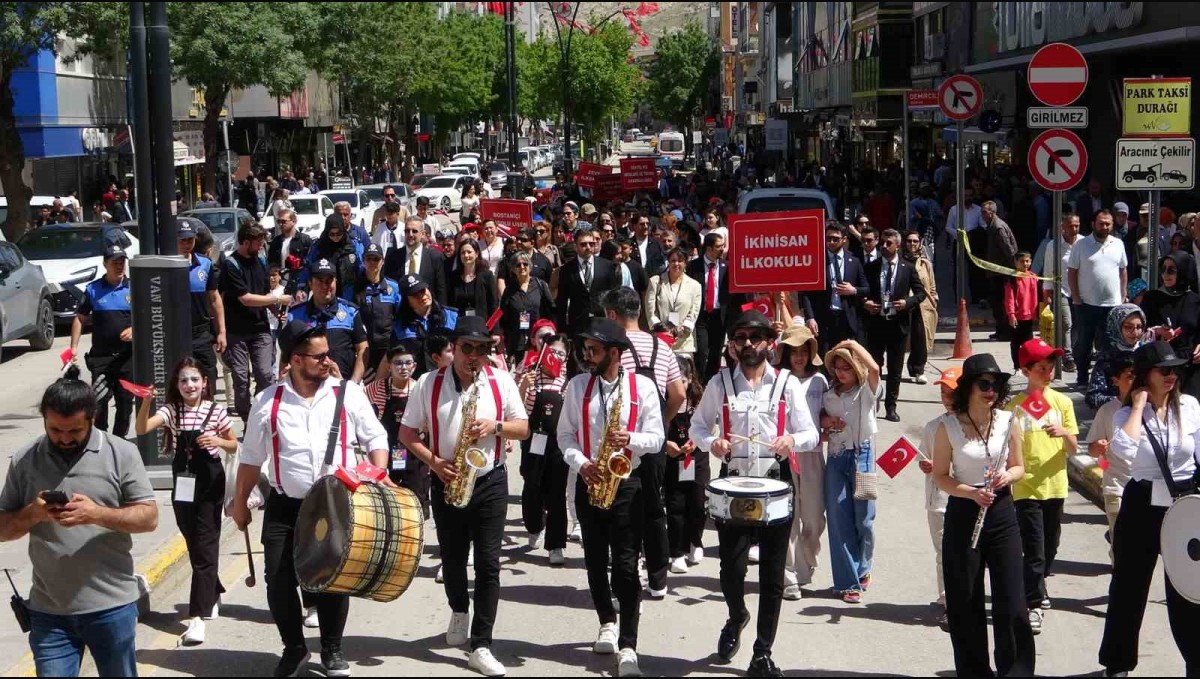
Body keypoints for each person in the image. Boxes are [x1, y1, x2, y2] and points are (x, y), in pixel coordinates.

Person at [232, 323, 388, 678]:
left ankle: (332, 649)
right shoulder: (267, 401)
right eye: (319, 356)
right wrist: (240, 503)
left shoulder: (347, 393)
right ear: (296, 360)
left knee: (332, 578)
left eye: (327, 354)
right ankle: (294, 648)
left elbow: (376, 438)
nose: (327, 361)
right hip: (285, 504)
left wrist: (378, 475)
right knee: (278, 578)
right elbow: (251, 459)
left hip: (335, 504)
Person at [0, 367, 158, 677]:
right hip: (48, 613)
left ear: (92, 418)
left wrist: (96, 514)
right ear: (44, 420)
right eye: (55, 430)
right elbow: (2, 530)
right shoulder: (24, 460)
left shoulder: (121, 453)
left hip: (111, 608)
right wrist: (33, 513)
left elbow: (149, 518)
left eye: (74, 431)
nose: (64, 438)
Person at [689, 310, 819, 677]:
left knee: (772, 574)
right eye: (741, 338)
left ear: (769, 344)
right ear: (732, 345)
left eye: (755, 338)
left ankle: (762, 651)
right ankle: (737, 615)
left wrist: (791, 439)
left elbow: (810, 434)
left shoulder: (786, 384)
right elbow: (698, 427)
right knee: (731, 568)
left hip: (776, 483)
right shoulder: (720, 384)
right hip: (734, 484)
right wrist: (712, 442)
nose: (748, 344)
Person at [399, 315, 529, 678]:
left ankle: (481, 644)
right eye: (467, 348)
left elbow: (523, 428)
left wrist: (495, 426)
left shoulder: (500, 380)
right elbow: (407, 433)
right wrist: (435, 462)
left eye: (481, 350)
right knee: (453, 559)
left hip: (490, 479)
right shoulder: (429, 383)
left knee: (489, 563)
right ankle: (459, 609)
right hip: (448, 478)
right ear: (453, 349)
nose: (474, 356)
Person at [558, 318, 665, 678]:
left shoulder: (642, 387)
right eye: (585, 349)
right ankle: (606, 621)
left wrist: (630, 438)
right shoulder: (577, 386)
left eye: (594, 349)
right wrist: (582, 463)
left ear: (615, 353)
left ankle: (629, 645)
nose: (587, 355)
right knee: (593, 559)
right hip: (590, 478)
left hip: (627, 482)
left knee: (625, 565)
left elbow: (656, 438)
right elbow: (565, 436)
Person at [1099, 341, 1200, 677]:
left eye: (1176, 369)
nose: (1172, 375)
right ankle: (1117, 664)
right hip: (1142, 503)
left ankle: (1195, 662)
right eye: (1164, 370)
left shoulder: (1189, 406)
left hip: (1184, 503)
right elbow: (1122, 453)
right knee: (1128, 587)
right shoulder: (1126, 414)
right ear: (1145, 375)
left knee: (1189, 589)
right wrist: (1139, 405)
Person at [931, 353, 1033, 677]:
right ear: (969, 388)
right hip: (964, 510)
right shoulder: (948, 427)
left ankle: (1015, 671)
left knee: (1013, 599)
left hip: (1001, 510)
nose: (991, 391)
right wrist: (970, 492)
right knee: (965, 600)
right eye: (984, 384)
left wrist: (1008, 476)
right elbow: (940, 476)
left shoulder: (1008, 420)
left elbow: (1019, 466)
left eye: (996, 384)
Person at [134, 358, 237, 645]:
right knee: (193, 541)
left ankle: (197, 618)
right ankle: (212, 590)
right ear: (176, 385)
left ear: (205, 383)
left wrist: (217, 441)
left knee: (205, 544)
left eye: (194, 379)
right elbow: (142, 428)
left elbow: (233, 444)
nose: (189, 385)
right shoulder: (172, 410)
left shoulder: (216, 411)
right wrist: (145, 402)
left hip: (210, 484)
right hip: (183, 483)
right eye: (183, 380)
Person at [603, 287, 686, 600]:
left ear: (612, 314)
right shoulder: (662, 347)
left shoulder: (614, 347)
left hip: (621, 441)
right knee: (654, 505)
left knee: (621, 507)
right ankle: (658, 579)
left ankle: (628, 569)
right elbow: (678, 393)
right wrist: (661, 424)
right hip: (653, 440)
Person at [1006, 339, 1078, 635]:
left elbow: (1073, 448)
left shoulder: (1062, 403)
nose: (1048, 373)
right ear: (1026, 371)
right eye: (1041, 369)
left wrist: (1064, 433)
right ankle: (1033, 603)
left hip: (1056, 485)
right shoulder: (1013, 408)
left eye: (1051, 367)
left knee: (1050, 546)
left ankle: (1039, 583)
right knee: (1033, 548)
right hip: (1026, 487)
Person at [820, 339, 881, 604]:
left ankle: (863, 567)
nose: (842, 372)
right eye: (838, 367)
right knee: (838, 519)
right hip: (836, 456)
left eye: (847, 367)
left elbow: (875, 369)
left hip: (862, 456)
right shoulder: (828, 394)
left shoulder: (866, 392)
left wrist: (852, 344)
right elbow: (818, 419)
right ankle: (847, 582)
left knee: (864, 520)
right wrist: (827, 421)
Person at [777, 326, 828, 601]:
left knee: (814, 518)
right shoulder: (777, 380)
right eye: (794, 351)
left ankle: (805, 565)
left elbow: (827, 412)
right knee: (788, 516)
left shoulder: (819, 381)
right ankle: (789, 576)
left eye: (803, 351)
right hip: (783, 454)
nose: (799, 357)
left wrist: (829, 423)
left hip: (811, 454)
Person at [221, 223, 290, 421]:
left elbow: (263, 293)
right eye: (258, 242)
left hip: (260, 328)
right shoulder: (231, 264)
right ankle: (247, 417)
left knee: (265, 374)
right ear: (245, 242)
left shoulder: (260, 260)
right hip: (237, 331)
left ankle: (262, 414)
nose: (261, 246)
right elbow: (246, 298)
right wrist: (278, 299)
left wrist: (275, 311)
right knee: (241, 379)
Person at [69, 245, 134, 437]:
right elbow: (80, 318)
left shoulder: (134, 287)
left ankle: (119, 439)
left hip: (127, 358)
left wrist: (135, 329)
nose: (119, 266)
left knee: (125, 402)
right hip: (101, 358)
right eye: (115, 262)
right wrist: (73, 348)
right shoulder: (93, 289)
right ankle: (101, 438)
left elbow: (147, 316)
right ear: (105, 264)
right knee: (99, 401)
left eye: (122, 262)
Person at [517, 334, 570, 565]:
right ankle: (534, 526)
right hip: (534, 440)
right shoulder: (532, 377)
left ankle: (556, 545)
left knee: (556, 492)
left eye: (560, 353)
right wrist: (524, 387)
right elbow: (520, 412)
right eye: (552, 351)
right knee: (532, 487)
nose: (555, 357)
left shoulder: (568, 382)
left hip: (558, 443)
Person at [863, 229, 927, 422]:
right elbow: (862, 290)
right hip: (876, 324)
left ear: (897, 245)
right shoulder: (871, 267)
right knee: (874, 367)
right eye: (882, 242)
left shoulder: (907, 268)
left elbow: (921, 293)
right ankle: (872, 403)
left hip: (898, 325)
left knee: (895, 370)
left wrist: (907, 303)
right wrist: (865, 302)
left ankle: (891, 407)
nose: (884, 246)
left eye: (888, 243)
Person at [365, 346, 430, 516]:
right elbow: (358, 406)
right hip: (386, 452)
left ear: (414, 366)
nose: (403, 367)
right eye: (398, 363)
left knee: (416, 503)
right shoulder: (376, 388)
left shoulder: (420, 389)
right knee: (386, 504)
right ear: (389, 367)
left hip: (415, 453)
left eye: (408, 363)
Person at [1069, 210, 1128, 387]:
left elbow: (1123, 270)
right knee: (1084, 343)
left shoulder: (1118, 244)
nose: (1105, 227)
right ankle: (1082, 377)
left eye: (1108, 223)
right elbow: (1072, 272)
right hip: (1086, 303)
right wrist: (1076, 296)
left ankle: (1106, 379)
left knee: (1109, 344)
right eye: (1101, 223)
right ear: (1093, 224)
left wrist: (1123, 294)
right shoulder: (1081, 245)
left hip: (1112, 304)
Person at [1085, 353, 1135, 560]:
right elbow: (1091, 449)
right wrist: (1098, 447)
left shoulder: (1153, 408)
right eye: (1130, 376)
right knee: (1121, 543)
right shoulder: (1107, 411)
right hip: (1117, 487)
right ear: (1115, 380)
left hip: (1148, 488)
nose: (1136, 380)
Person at [919, 367, 958, 628]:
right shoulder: (933, 427)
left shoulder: (973, 426)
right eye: (943, 392)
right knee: (943, 553)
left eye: (951, 392)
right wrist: (927, 465)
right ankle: (947, 600)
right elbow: (924, 456)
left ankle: (965, 599)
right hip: (939, 501)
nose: (947, 397)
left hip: (965, 499)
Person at [287, 259, 368, 383]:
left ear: (336, 282)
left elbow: (363, 349)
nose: (325, 286)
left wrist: (353, 384)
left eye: (329, 281)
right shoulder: (295, 315)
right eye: (320, 281)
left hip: (342, 385)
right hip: (307, 387)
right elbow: (287, 355)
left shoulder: (350, 312)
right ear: (310, 283)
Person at [663, 355, 708, 575]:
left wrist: (696, 441)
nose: (680, 385)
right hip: (673, 458)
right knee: (676, 505)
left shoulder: (699, 398)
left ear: (690, 378)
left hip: (696, 457)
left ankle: (695, 541)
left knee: (698, 502)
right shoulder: (664, 401)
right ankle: (676, 552)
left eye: (683, 380)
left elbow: (711, 425)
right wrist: (666, 445)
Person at [805, 221, 869, 355]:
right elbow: (806, 292)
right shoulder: (816, 259)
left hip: (847, 319)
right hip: (824, 319)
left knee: (846, 358)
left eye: (835, 239)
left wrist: (853, 290)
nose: (831, 242)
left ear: (844, 239)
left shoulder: (854, 260)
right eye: (828, 238)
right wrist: (810, 317)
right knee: (825, 357)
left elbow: (866, 288)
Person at [178, 219, 227, 393]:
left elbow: (214, 299)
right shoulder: (166, 266)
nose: (186, 244)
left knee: (208, 375)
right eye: (182, 240)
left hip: (201, 333)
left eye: (190, 240)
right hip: (175, 334)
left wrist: (221, 331)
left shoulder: (205, 264)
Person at [687, 232, 738, 381]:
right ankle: (699, 382)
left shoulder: (726, 267)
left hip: (719, 316)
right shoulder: (693, 266)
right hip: (701, 315)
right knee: (702, 352)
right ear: (709, 248)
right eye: (719, 246)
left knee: (716, 352)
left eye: (723, 245)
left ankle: (711, 382)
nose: (723, 249)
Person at [558, 226, 620, 335]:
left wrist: (616, 322)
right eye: (583, 244)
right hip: (577, 325)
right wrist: (562, 330)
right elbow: (562, 300)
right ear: (575, 246)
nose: (588, 247)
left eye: (591, 244)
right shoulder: (567, 270)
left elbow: (614, 295)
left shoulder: (607, 266)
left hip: (602, 322)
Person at [1086, 305, 1149, 410]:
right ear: (1116, 327)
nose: (1135, 332)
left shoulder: (1148, 352)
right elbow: (1093, 397)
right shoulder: (1107, 357)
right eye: (1128, 327)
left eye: (1139, 327)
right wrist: (1125, 400)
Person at [498, 251, 555, 363]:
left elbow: (551, 309)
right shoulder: (509, 290)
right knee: (521, 371)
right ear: (513, 269)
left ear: (530, 266)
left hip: (539, 339)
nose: (522, 267)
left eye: (525, 264)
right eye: (518, 265)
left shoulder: (540, 285)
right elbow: (504, 317)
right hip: (518, 342)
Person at [355, 243, 402, 380]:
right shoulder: (355, 288)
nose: (372, 262)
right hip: (366, 349)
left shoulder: (393, 287)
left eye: (376, 259)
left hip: (389, 348)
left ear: (382, 261)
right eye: (369, 259)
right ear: (363, 261)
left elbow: (400, 316)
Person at [395, 275, 459, 375]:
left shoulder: (451, 316)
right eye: (415, 294)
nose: (422, 296)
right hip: (416, 379)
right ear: (407, 301)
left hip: (449, 376)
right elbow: (392, 356)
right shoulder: (400, 325)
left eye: (422, 290)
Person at [645, 247, 702, 358]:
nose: (676, 264)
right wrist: (660, 328)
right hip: (660, 339)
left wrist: (684, 328)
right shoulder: (655, 281)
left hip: (683, 342)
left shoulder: (695, 286)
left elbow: (694, 312)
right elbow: (650, 310)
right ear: (668, 262)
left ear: (685, 263)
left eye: (680, 261)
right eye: (673, 261)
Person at [1041, 213, 1080, 372]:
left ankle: (1075, 352)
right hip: (1061, 290)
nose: (1074, 229)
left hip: (1080, 291)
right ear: (1062, 227)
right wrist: (1047, 293)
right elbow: (1048, 271)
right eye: (1070, 226)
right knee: (1066, 323)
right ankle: (1068, 357)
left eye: (1076, 225)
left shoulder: (1084, 243)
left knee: (1078, 325)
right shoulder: (1053, 246)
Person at [384, 216, 448, 306]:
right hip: (401, 311)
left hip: (427, 310)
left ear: (423, 234)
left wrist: (441, 311)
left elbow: (441, 290)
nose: (410, 234)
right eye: (407, 231)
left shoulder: (435, 257)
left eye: (414, 231)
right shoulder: (393, 257)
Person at [903, 229, 937, 383]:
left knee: (920, 338)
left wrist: (934, 300)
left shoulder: (925, 263)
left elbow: (932, 285)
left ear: (920, 243)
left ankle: (918, 370)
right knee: (901, 339)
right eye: (909, 241)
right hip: (903, 304)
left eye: (915, 241)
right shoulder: (899, 261)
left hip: (922, 306)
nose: (912, 244)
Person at [983, 201, 1020, 341]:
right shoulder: (992, 226)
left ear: (992, 213)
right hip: (996, 271)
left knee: (1002, 304)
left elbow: (1009, 250)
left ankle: (1005, 332)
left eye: (985, 212)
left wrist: (1014, 270)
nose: (982, 215)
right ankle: (1000, 330)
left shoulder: (998, 227)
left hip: (1002, 272)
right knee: (996, 303)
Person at [267, 208, 313, 297]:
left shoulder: (305, 240)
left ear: (294, 221)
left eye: (283, 221)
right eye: (279, 222)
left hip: (299, 284)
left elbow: (309, 264)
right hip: (280, 285)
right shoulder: (276, 242)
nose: (281, 224)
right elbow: (271, 263)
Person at [1004, 252, 1039, 370]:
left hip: (1029, 317)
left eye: (1027, 261)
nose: (1025, 264)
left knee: (1028, 344)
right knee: (1015, 344)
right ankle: (1017, 366)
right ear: (1015, 262)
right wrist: (1011, 315)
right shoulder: (1012, 279)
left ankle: (1027, 365)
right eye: (1022, 261)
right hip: (1016, 317)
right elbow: (1009, 298)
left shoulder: (1034, 277)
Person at [449, 240, 499, 320]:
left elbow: (494, 304)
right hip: (460, 324)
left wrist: (492, 327)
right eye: (463, 253)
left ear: (476, 254)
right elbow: (450, 304)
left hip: (481, 324)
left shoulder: (487, 276)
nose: (466, 255)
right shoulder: (453, 277)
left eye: (469, 252)